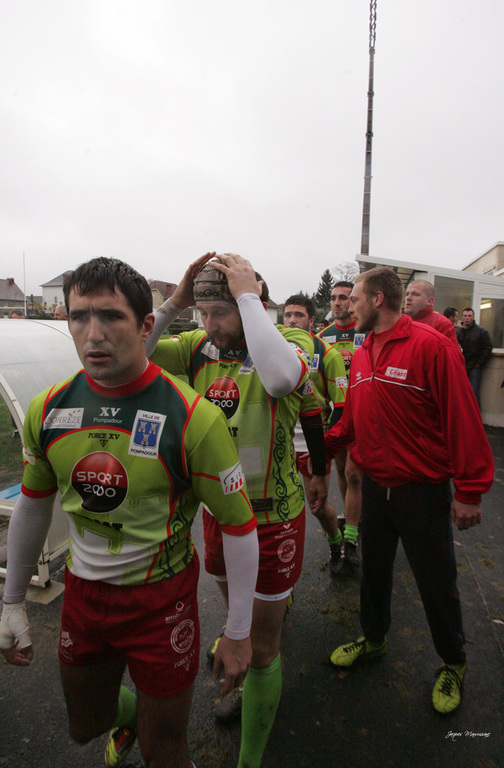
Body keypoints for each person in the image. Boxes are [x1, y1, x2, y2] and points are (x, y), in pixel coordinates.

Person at [0, 257, 259, 768]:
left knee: (165, 752)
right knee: (84, 727)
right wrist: (12, 603)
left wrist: (239, 631)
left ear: (145, 326)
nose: (93, 334)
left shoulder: (193, 418)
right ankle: (139, 716)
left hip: (162, 603)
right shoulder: (48, 408)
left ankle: (157, 723)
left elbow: (239, 526)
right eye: (79, 316)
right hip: (84, 598)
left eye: (111, 316)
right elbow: (32, 504)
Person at [146, 253, 327, 768]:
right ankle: (246, 655)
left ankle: (250, 756)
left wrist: (249, 298)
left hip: (273, 518)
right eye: (202, 313)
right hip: (220, 517)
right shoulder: (197, 346)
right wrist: (175, 303)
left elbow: (281, 381)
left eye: (219, 313)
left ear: (252, 305)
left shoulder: (290, 340)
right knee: (236, 615)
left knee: (263, 646)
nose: (210, 325)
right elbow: (133, 352)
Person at [325, 267, 494, 714]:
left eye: (354, 298)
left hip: (422, 492)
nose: (348, 307)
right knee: (375, 574)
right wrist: (324, 448)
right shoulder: (364, 351)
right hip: (376, 487)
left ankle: (453, 662)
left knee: (436, 582)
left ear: (377, 299)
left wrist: (470, 491)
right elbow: (353, 417)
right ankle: (373, 639)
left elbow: (462, 419)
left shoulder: (432, 346)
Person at [282, 294, 348, 575]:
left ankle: (336, 543)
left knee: (317, 507)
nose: (291, 320)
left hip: (312, 443)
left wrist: (324, 451)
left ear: (311, 320)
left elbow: (341, 407)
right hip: (280, 442)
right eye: (287, 315)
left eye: (298, 315)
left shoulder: (327, 354)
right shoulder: (273, 347)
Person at [317, 281, 365, 570]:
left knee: (356, 474)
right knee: (343, 471)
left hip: (365, 414)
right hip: (338, 415)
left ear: (353, 301)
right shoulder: (323, 337)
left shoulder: (366, 330)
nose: (337, 302)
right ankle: (351, 518)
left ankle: (354, 533)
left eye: (343, 297)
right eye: (333, 297)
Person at [456, 307, 493, 408]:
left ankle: (476, 416)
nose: (467, 318)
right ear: (462, 317)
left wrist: (479, 363)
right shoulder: (458, 331)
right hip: (461, 365)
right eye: (465, 316)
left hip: (474, 366)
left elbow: (488, 347)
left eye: (469, 316)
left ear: (473, 317)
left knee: (473, 393)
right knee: (460, 392)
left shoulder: (481, 332)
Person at [404, 280, 459, 344]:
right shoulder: (400, 321)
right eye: (407, 294)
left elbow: (449, 349)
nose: (408, 298)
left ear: (429, 301)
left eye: (415, 294)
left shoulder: (442, 324)